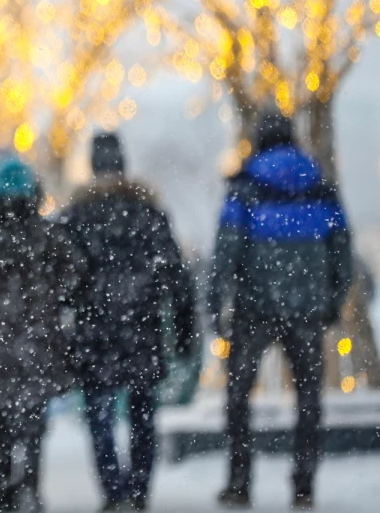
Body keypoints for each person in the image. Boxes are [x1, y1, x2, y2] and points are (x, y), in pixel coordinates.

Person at [210, 110, 352, 510]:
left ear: (259, 140)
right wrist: (331, 301)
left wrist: (216, 302)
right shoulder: (322, 187)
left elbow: (226, 250)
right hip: (307, 310)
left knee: (238, 395)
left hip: (253, 309)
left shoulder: (244, 188)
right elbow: (343, 251)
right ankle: (303, 484)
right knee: (309, 397)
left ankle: (240, 480)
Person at [60, 132, 195, 512]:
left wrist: (70, 313)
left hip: (95, 331)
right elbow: (175, 275)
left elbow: (62, 281)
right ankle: (138, 492)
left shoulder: (75, 216)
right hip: (141, 328)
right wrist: (184, 329)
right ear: (122, 163)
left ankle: (113, 490)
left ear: (92, 165)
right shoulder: (149, 213)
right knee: (142, 415)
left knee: (99, 417)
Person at [0, 159, 83, 513]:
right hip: (37, 346)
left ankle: (4, 494)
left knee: (0, 426)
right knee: (33, 424)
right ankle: (31, 489)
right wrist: (49, 304)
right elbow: (73, 277)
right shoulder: (46, 234)